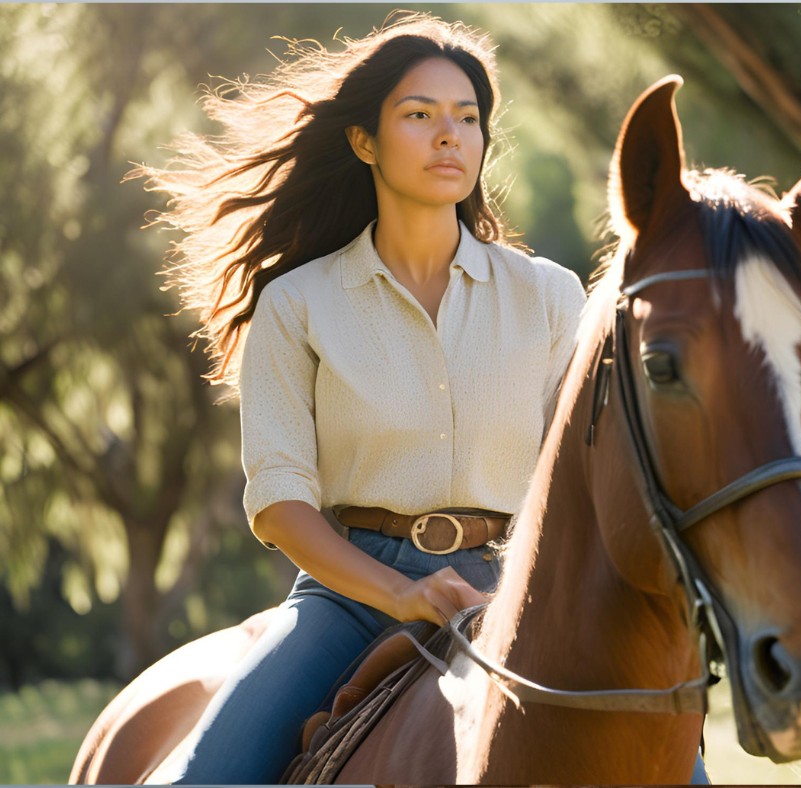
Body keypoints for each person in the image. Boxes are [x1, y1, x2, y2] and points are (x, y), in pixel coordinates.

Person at [133, 12, 587, 784]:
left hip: (519, 588)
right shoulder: (297, 305)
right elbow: (279, 503)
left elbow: (577, 473)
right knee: (204, 779)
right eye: (420, 116)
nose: (450, 136)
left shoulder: (549, 295)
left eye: (468, 118)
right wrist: (402, 591)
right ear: (364, 141)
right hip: (347, 594)